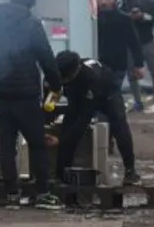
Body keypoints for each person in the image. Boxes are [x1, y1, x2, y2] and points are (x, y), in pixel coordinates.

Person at [0, 0, 63, 210]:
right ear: (31, 3)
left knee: (7, 145)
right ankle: (42, 191)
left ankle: (11, 193)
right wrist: (55, 83)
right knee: (36, 144)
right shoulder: (30, 23)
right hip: (26, 95)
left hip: (1, 95)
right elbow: (45, 56)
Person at [51, 51, 140, 185]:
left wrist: (60, 140)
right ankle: (62, 172)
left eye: (66, 80)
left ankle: (130, 170)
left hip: (108, 95)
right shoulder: (58, 72)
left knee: (119, 125)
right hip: (79, 94)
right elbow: (50, 101)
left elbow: (83, 120)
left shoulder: (91, 78)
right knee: (67, 124)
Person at [119, 0, 154, 112]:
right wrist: (128, 17)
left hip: (146, 40)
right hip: (130, 44)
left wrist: (142, 16)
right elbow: (118, 18)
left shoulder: (145, 1)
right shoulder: (120, 4)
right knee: (132, 74)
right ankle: (138, 101)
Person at [96, 0, 145, 90]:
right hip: (97, 63)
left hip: (117, 65)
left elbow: (134, 42)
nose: (104, 1)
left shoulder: (123, 19)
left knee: (113, 94)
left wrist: (139, 64)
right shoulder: (92, 19)